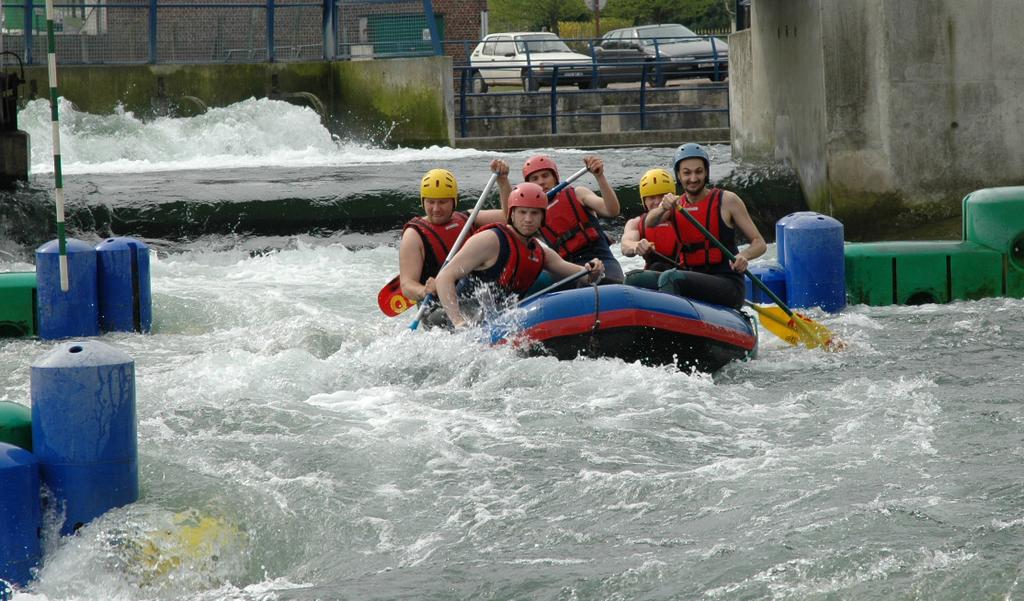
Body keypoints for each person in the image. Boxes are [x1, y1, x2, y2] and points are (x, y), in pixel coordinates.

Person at [434, 182, 604, 329]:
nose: (528, 219)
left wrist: (592, 269)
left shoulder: (539, 251)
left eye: (534, 213)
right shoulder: (490, 240)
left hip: (495, 320)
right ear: (512, 214)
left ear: (543, 217)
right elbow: (444, 277)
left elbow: (580, 274)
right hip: (458, 316)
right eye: (522, 212)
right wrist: (458, 322)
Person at [643, 143, 766, 309]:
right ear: (678, 175)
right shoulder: (675, 205)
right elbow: (649, 222)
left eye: (698, 171)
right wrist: (663, 207)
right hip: (692, 278)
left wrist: (744, 255)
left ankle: (673, 328)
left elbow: (760, 243)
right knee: (636, 278)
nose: (693, 178)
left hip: (727, 284)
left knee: (669, 278)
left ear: (706, 172)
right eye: (687, 173)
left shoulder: (727, 200)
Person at [399, 161, 512, 302]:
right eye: (430, 202)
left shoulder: (469, 218)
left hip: (476, 295)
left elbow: (511, 218)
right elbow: (407, 285)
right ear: (423, 202)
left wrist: (503, 182)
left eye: (442, 202)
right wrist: (424, 290)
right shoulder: (414, 235)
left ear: (454, 201)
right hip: (438, 306)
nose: (436, 209)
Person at [517, 154, 625, 285]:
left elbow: (612, 210)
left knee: (606, 285)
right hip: (569, 270)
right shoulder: (532, 215)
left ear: (555, 178)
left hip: (603, 260)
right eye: (535, 179)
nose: (541, 182)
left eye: (545, 176)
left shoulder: (578, 194)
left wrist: (599, 176)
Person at [620, 168, 684, 289]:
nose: (658, 202)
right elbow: (625, 245)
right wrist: (636, 246)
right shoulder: (636, 223)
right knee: (655, 268)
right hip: (653, 274)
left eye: (662, 196)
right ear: (644, 201)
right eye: (652, 197)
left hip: (683, 274)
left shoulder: (685, 218)